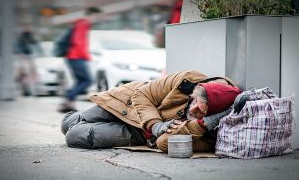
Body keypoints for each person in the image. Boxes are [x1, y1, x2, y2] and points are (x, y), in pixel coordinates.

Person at [61, 70, 242, 153]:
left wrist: (203, 124)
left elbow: (164, 143)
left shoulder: (213, 132)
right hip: (128, 103)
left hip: (139, 134)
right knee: (67, 123)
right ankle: (84, 120)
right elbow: (142, 94)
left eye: (202, 112)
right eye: (194, 102)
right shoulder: (189, 79)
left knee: (74, 136)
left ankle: (90, 125)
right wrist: (156, 126)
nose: (193, 110)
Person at [58, 7, 101, 113]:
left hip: (73, 56)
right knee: (88, 80)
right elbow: (78, 42)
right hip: (76, 56)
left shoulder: (80, 23)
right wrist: (86, 56)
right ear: (92, 15)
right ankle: (67, 98)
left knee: (80, 81)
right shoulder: (84, 24)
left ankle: (69, 103)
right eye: (98, 16)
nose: (98, 19)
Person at [15, 25, 43, 96]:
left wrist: (40, 52)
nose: (28, 29)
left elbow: (36, 44)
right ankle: (21, 84)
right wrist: (20, 53)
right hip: (23, 56)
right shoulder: (21, 37)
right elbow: (18, 45)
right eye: (27, 28)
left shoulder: (31, 36)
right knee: (22, 70)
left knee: (33, 70)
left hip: (30, 55)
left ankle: (36, 86)